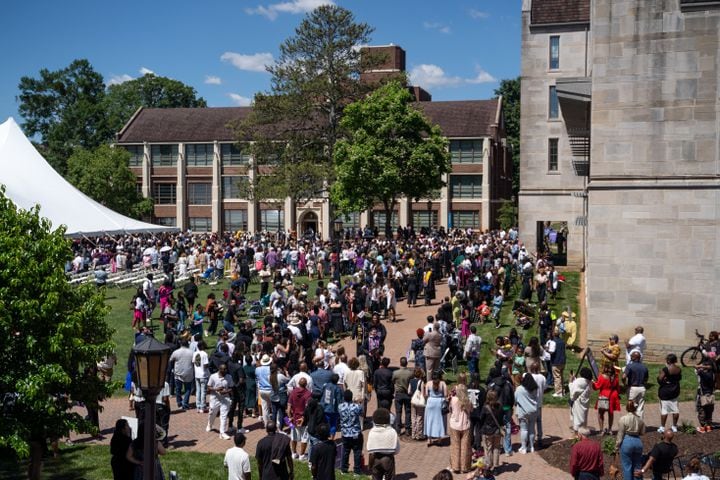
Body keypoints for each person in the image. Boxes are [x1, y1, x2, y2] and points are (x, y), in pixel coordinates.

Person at [367, 408, 400, 480]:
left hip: (376, 459)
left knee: (376, 477)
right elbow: (397, 450)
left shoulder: (372, 432)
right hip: (388, 459)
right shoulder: (392, 431)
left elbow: (370, 452)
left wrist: (370, 465)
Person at [616, 400, 645, 480]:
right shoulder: (640, 419)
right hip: (637, 441)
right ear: (635, 408)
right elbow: (642, 432)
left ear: (626, 408)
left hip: (627, 441)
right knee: (637, 466)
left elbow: (620, 434)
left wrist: (617, 446)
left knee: (627, 467)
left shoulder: (623, 419)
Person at [475, 389, 502, 475]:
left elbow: (481, 419)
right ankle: (496, 467)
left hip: (487, 431)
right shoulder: (499, 406)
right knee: (496, 448)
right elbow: (501, 419)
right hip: (497, 431)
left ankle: (488, 466)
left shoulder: (485, 407)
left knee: (488, 449)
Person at [448, 383, 473, 473]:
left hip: (454, 425)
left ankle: (455, 467)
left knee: (455, 446)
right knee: (465, 447)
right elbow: (471, 410)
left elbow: (450, 409)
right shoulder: (468, 401)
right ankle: (464, 467)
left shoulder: (453, 400)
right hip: (466, 425)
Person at [338, 389, 363, 475]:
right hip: (355, 432)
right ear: (351, 397)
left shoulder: (340, 407)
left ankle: (344, 469)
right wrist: (358, 403)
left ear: (344, 398)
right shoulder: (356, 407)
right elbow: (362, 413)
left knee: (345, 451)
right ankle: (357, 470)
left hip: (345, 433)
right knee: (357, 451)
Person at [207, 363, 234, 440]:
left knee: (224, 415)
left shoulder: (229, 377)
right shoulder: (213, 377)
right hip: (215, 398)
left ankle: (222, 432)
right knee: (212, 413)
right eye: (224, 369)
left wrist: (226, 391)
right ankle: (210, 424)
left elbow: (232, 387)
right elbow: (208, 387)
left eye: (226, 369)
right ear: (220, 369)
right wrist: (216, 389)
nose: (226, 370)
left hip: (225, 399)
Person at [593, 363, 621, 435]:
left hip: (604, 396)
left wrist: (593, 383)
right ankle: (610, 429)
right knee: (611, 413)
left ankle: (601, 431)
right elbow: (618, 388)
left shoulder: (602, 377)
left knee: (600, 413)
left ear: (606, 369)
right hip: (613, 396)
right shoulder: (616, 377)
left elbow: (597, 387)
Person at [657, 353, 682, 433]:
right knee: (675, 410)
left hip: (665, 392)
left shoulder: (665, 369)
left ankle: (662, 427)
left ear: (668, 360)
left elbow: (660, 379)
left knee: (664, 410)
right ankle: (674, 426)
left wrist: (660, 377)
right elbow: (679, 378)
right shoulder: (678, 369)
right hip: (675, 391)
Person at [514, 373, 538, 454]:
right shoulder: (535, 388)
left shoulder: (519, 389)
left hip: (523, 412)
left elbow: (515, 399)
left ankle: (523, 448)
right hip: (533, 411)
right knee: (531, 429)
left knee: (524, 430)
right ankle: (531, 447)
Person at [288, 377, 312, 460]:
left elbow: (288, 407)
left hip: (293, 419)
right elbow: (307, 408)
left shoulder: (293, 392)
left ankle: (294, 453)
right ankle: (302, 455)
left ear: (298, 383)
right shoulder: (308, 394)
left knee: (293, 436)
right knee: (304, 437)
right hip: (303, 419)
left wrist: (290, 417)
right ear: (306, 384)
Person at [169, 339, 195, 410]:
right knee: (188, 389)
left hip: (178, 373)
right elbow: (194, 362)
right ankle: (185, 403)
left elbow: (171, 360)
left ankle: (179, 402)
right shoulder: (192, 352)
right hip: (188, 373)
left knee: (178, 389)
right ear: (187, 344)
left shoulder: (176, 352)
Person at [424, 370, 447, 446]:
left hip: (430, 402)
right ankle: (439, 439)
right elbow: (446, 394)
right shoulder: (443, 383)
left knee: (429, 420)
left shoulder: (428, 383)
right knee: (439, 421)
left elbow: (426, 394)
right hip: (439, 403)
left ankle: (429, 439)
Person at [623, 351, 648, 419]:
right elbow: (646, 379)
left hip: (632, 389)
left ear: (634, 357)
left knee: (631, 407)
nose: (630, 357)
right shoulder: (644, 367)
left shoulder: (629, 366)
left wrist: (624, 384)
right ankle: (639, 425)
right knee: (640, 408)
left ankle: (632, 425)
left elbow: (623, 377)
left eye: (631, 356)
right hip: (642, 388)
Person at [392, 356, 414, 435]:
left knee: (398, 412)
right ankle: (408, 429)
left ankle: (398, 429)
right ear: (406, 363)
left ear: (400, 363)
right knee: (408, 412)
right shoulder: (410, 373)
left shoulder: (395, 373)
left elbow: (392, 381)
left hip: (399, 394)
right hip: (407, 394)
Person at [569, 368, 593, 434]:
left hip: (578, 403)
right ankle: (583, 430)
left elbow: (572, 393)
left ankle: (576, 433)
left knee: (577, 417)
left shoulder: (579, 381)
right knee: (583, 416)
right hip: (585, 402)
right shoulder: (589, 382)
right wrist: (575, 380)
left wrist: (571, 382)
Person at [695, 358, 716, 433]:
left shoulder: (702, 373)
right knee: (709, 411)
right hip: (711, 395)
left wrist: (699, 366)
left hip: (703, 395)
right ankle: (708, 426)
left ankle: (703, 427)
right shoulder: (713, 373)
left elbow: (696, 369)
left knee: (701, 410)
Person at [547, 328, 566, 397]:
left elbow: (552, 352)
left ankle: (558, 392)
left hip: (556, 361)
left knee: (557, 377)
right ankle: (562, 390)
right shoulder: (562, 341)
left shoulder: (553, 342)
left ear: (553, 334)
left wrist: (547, 350)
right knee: (561, 376)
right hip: (563, 361)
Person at [409, 368, 426, 441]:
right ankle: (419, 434)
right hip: (419, 402)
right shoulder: (421, 382)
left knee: (413, 417)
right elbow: (422, 393)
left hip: (413, 400)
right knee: (419, 417)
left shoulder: (411, 381)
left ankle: (413, 434)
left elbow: (409, 391)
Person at [194, 341, 210, 413]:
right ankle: (203, 406)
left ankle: (198, 406)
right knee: (203, 391)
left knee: (198, 390)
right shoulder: (204, 354)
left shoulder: (195, 353)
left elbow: (193, 362)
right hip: (203, 374)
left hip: (197, 374)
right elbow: (206, 365)